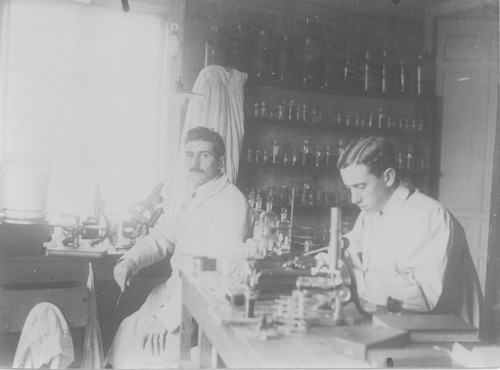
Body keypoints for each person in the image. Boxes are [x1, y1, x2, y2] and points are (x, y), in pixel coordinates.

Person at [105, 127, 251, 368]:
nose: (195, 162)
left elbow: (217, 275)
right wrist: (130, 260)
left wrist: (166, 319)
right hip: (173, 294)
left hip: (198, 308)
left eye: (204, 155)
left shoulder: (232, 203)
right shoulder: (197, 196)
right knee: (127, 331)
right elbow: (164, 236)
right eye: (190, 154)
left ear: (221, 162)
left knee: (149, 355)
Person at [338, 135, 483, 328]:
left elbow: (422, 297)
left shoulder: (432, 216)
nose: (353, 199)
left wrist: (355, 279)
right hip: (401, 323)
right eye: (349, 188)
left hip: (454, 336)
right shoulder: (370, 213)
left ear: (388, 177)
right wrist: (336, 258)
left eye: (361, 187)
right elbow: (350, 248)